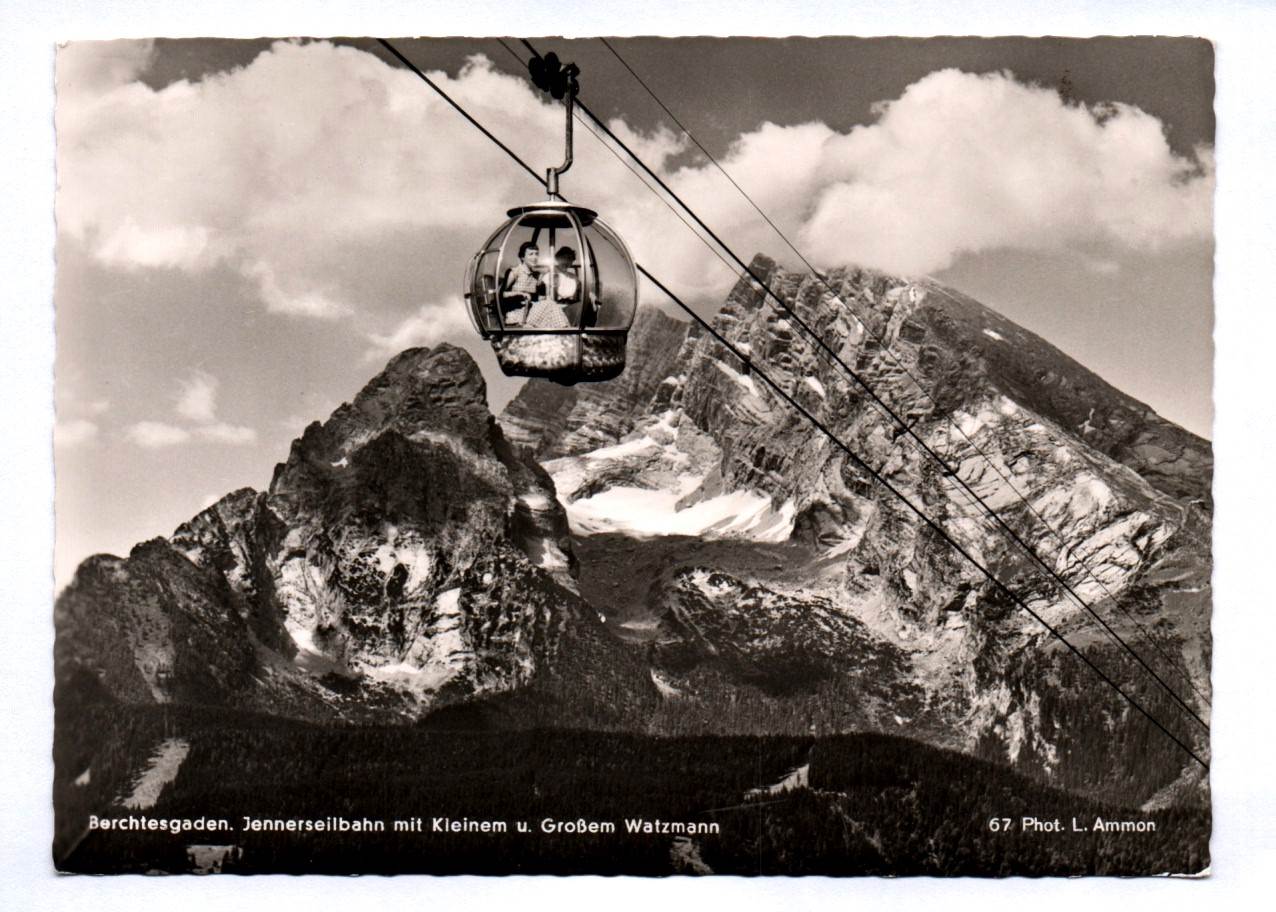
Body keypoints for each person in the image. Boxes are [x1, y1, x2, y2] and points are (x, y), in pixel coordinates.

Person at [500, 241, 543, 325]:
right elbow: (501, 294)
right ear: (522, 257)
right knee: (548, 306)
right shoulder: (515, 272)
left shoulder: (536, 275)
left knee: (550, 304)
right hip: (516, 312)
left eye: (536, 254)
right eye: (531, 254)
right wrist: (520, 293)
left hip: (531, 310)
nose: (535, 257)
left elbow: (537, 298)